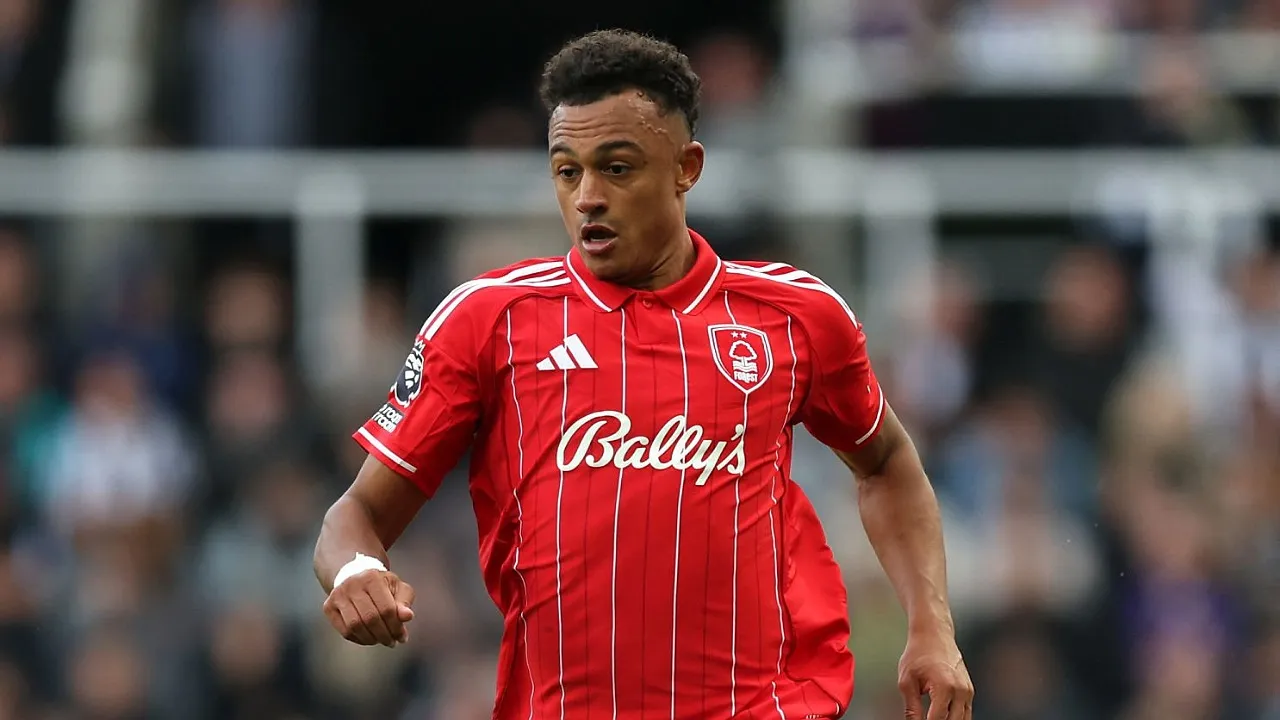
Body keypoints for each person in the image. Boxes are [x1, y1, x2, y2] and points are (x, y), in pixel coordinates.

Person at [313, 28, 973, 720]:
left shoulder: (795, 315)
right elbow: (353, 515)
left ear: (687, 167)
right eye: (567, 172)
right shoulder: (489, 320)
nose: (588, 197)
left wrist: (931, 625)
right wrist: (359, 570)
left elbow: (888, 462)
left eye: (617, 168)